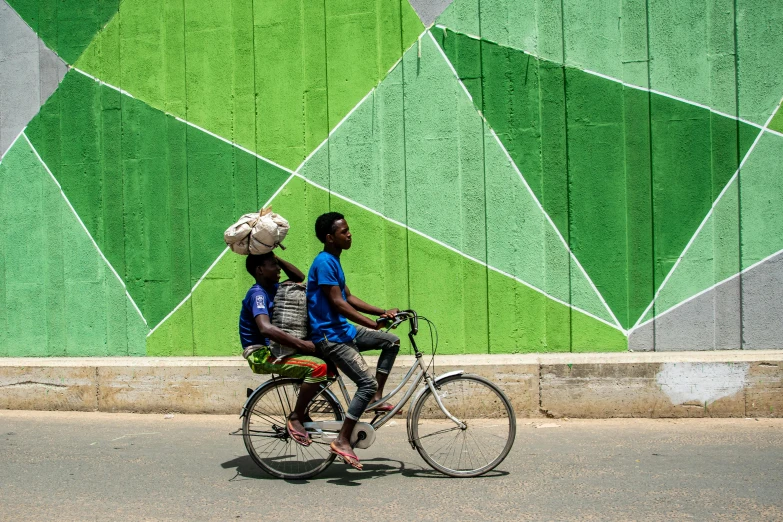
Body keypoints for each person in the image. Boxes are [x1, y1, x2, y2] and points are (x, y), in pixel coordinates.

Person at [307, 212, 401, 470]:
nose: (349, 235)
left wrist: (381, 313)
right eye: (344, 231)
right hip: (330, 336)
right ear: (329, 237)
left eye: (348, 230)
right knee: (365, 383)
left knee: (391, 341)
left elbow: (348, 297)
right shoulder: (324, 262)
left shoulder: (334, 261)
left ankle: (374, 398)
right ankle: (342, 440)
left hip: (343, 330)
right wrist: (371, 323)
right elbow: (337, 302)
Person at [239, 252, 334, 447]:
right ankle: (296, 417)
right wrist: (301, 344)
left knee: (329, 354)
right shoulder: (257, 294)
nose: (279, 269)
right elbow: (265, 328)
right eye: (273, 266)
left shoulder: (274, 288)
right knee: (317, 368)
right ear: (260, 270)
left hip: (276, 349)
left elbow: (299, 277)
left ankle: (303, 408)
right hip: (261, 354)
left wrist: (275, 256)